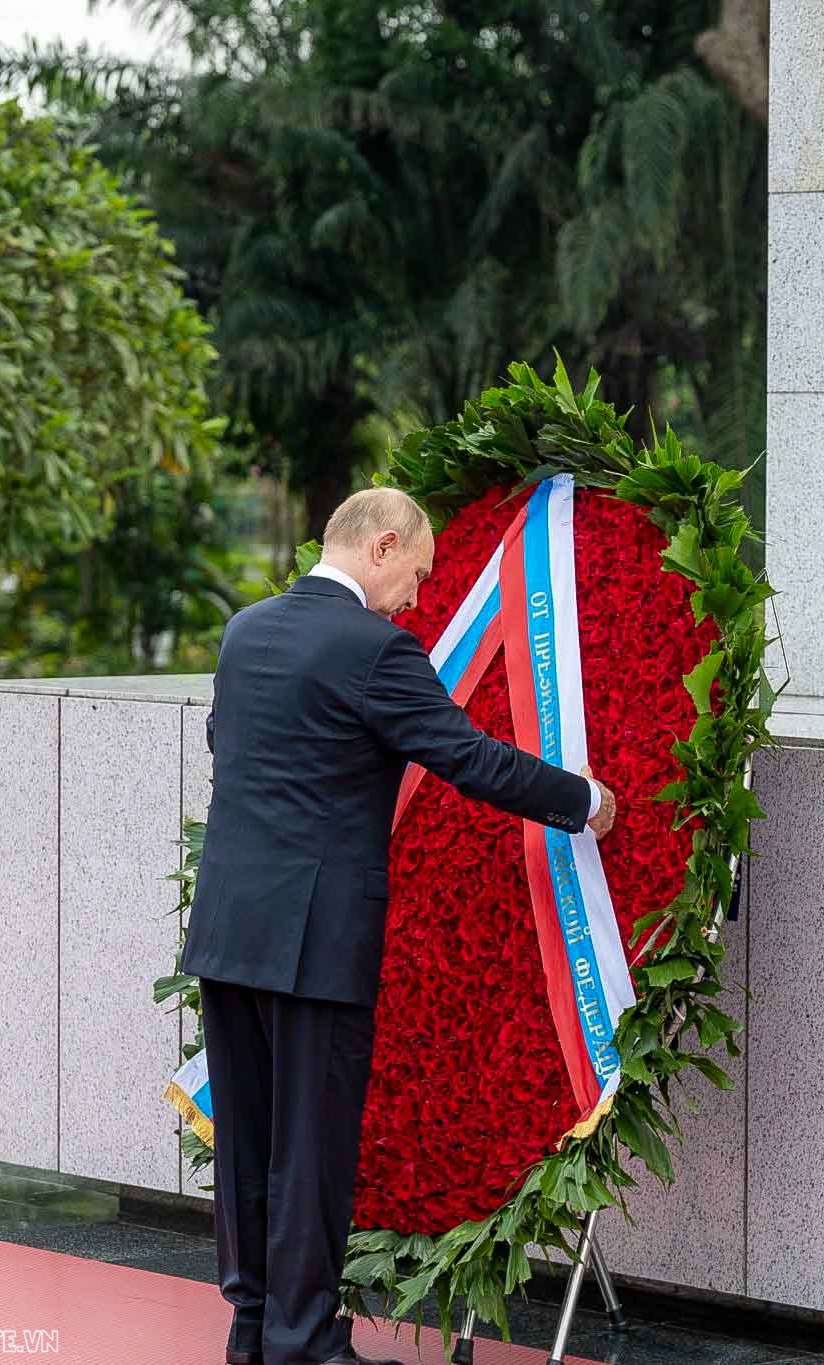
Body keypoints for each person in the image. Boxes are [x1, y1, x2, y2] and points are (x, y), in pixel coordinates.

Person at [181, 488, 617, 1365]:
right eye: (416, 575)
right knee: (309, 1151)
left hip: (229, 929)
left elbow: (232, 748)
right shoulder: (374, 650)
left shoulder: (246, 631)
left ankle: (254, 1330)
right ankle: (304, 1343)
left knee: (252, 1150)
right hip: (315, 941)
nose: (418, 597)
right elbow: (468, 757)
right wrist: (585, 800)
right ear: (381, 546)